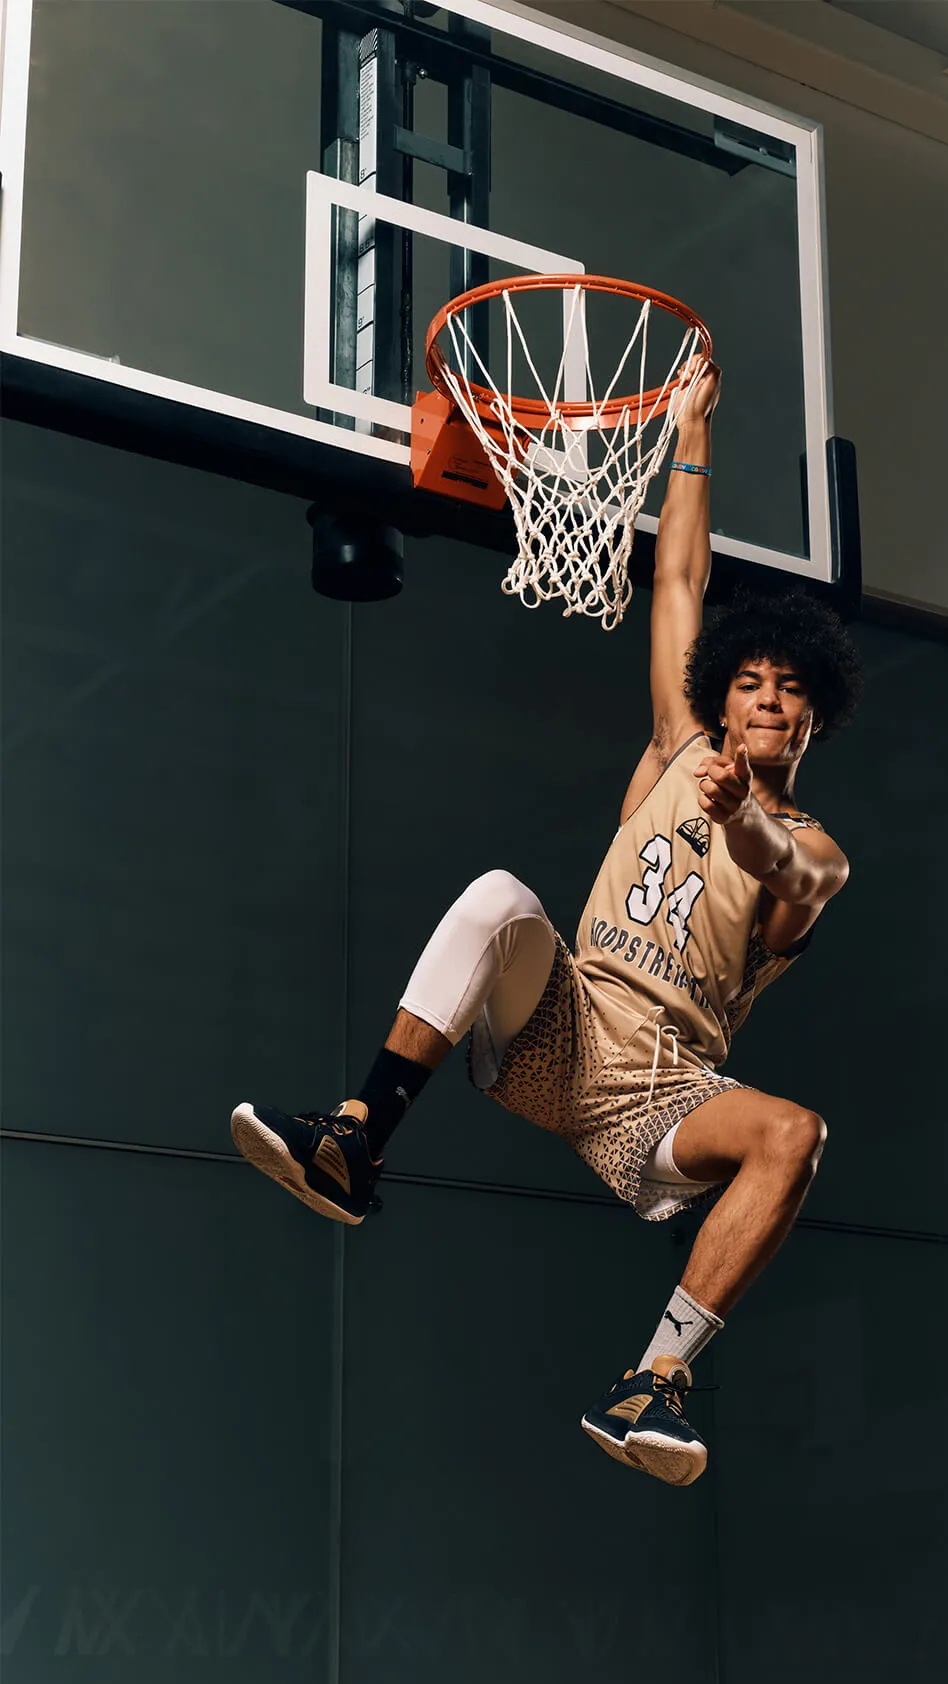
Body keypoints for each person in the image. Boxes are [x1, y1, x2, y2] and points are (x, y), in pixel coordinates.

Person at [231, 361, 863, 1486]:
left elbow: (783, 869)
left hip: (662, 1093)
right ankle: (355, 1139)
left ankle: (652, 1384)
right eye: (751, 681)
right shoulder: (677, 748)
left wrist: (742, 823)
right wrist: (691, 434)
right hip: (560, 1027)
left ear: (814, 714)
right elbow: (677, 572)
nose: (767, 697)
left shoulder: (811, 847)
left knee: (794, 1135)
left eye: (789, 688)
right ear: (722, 694)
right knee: (499, 896)